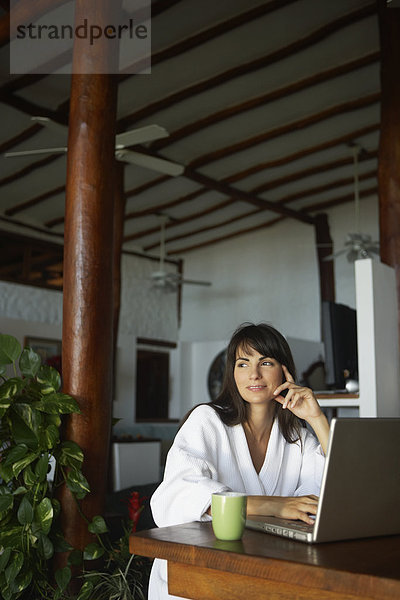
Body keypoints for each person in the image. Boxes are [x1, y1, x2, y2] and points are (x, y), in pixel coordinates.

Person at [149, 322, 330, 600]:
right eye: (242, 364)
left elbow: (325, 499)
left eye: (265, 362)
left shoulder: (298, 436)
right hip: (196, 574)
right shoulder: (207, 420)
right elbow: (176, 495)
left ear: (284, 370)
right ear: (232, 373)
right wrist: (273, 506)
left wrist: (317, 419)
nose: (254, 374)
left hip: (262, 572)